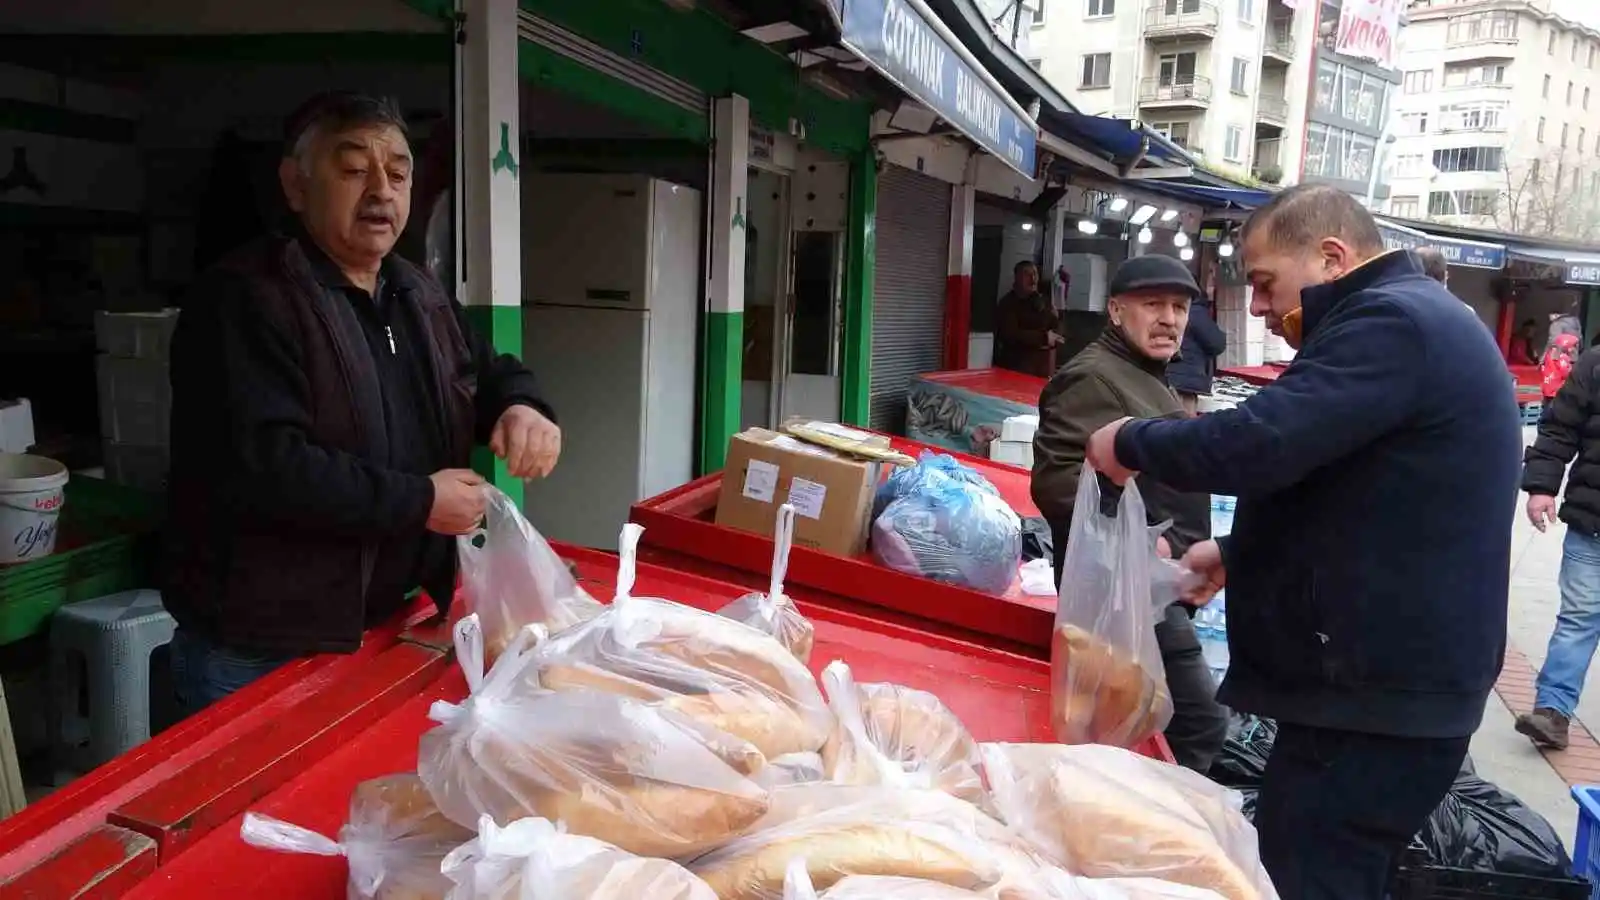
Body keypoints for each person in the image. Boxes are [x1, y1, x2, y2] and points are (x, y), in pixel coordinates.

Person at [1082, 184, 1520, 900]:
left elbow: (1265, 440)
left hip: (1377, 698)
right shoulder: (1406, 321)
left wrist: (1130, 440)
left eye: (1263, 284)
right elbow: (1355, 483)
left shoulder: (1394, 322)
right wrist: (1237, 551)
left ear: (1331, 256)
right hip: (1376, 691)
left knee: (1309, 877)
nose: (1255, 307)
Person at [162, 92, 559, 715]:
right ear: (296, 185)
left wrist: (522, 406)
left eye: (397, 173)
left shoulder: (416, 290)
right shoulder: (246, 299)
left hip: (392, 618)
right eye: (352, 170)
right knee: (258, 811)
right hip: (266, 644)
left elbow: (487, 373)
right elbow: (265, 467)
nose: (381, 190)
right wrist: (420, 502)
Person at [1030, 254, 1227, 774]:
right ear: (1116, 311)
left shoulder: (1143, 372)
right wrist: (1139, 538)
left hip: (1152, 592)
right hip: (1126, 595)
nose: (1169, 319)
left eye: (1180, 307)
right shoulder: (1093, 377)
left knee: (1137, 727)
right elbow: (1057, 483)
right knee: (1197, 724)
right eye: (1153, 305)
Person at [1518, 342, 1600, 749]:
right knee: (1578, 621)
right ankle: (1552, 712)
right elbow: (1559, 427)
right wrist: (1541, 486)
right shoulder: (1596, 363)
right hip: (1593, 522)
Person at [1165, 278, 1228, 416]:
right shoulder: (1195, 312)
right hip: (1184, 382)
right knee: (1182, 426)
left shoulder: (1168, 309)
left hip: (1165, 377)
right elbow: (1216, 343)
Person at [994, 260, 1063, 377]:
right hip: (1016, 369)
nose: (1033, 278)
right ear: (1016, 277)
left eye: (1035, 273)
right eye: (1027, 274)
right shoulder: (1008, 303)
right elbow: (1011, 334)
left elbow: (1056, 327)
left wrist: (1056, 323)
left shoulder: (1042, 301)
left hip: (1042, 369)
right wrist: (1044, 337)